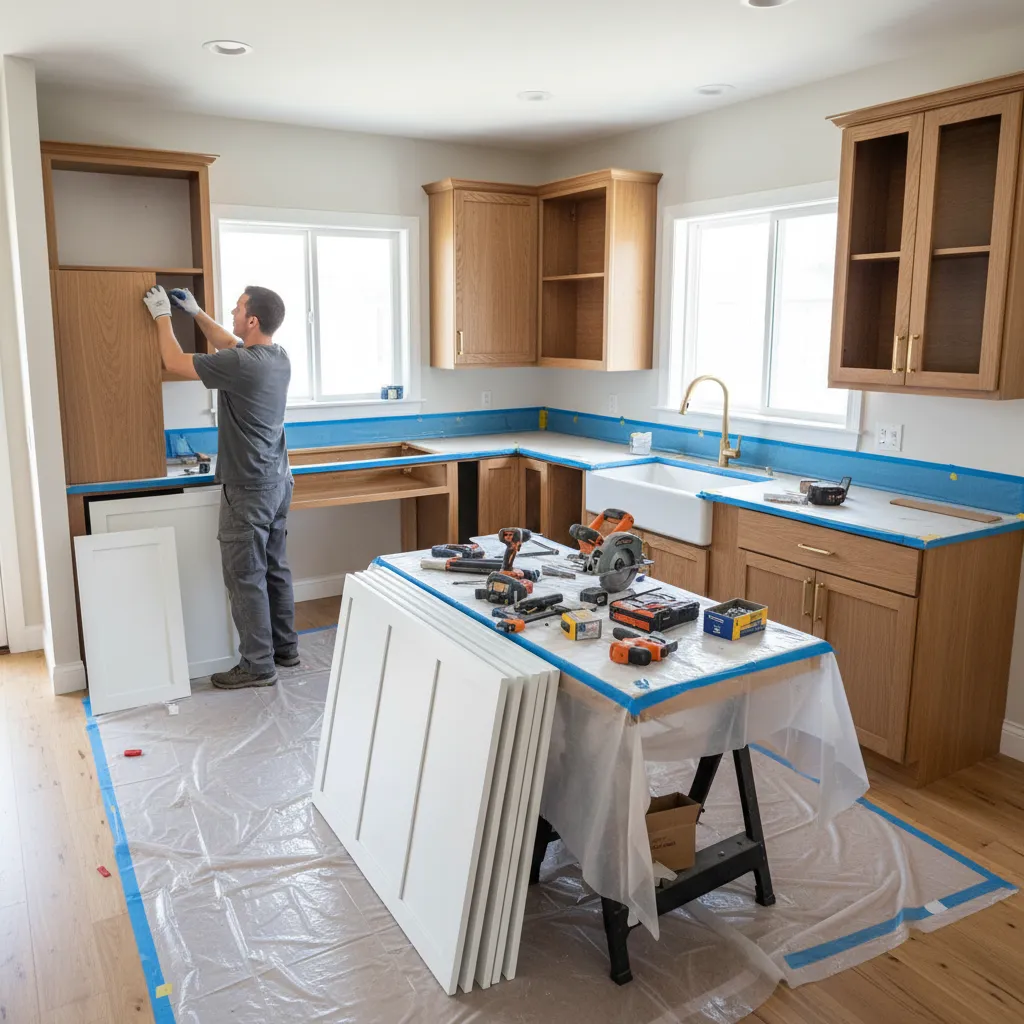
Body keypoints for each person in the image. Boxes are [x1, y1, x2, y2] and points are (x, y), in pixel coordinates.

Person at [142, 283, 298, 689]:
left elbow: (175, 362)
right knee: (275, 569)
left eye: (238, 307)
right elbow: (228, 341)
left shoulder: (242, 365)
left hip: (248, 486)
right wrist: (195, 313)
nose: (231, 310)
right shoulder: (276, 357)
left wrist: (161, 315)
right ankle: (285, 650)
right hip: (278, 481)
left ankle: (257, 665)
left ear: (253, 320)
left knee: (245, 574)